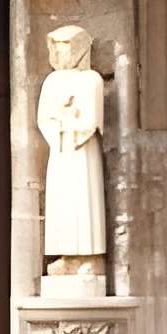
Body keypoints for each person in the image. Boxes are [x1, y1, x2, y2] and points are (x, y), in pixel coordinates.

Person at [36, 24, 106, 258]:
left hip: (82, 151)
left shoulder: (91, 80)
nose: (60, 54)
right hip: (60, 150)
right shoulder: (52, 81)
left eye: (66, 48)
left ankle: (89, 256)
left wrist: (69, 122)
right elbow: (44, 118)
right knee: (62, 201)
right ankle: (65, 255)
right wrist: (59, 127)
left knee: (85, 199)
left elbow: (92, 120)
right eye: (57, 49)